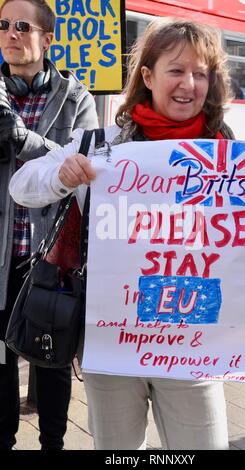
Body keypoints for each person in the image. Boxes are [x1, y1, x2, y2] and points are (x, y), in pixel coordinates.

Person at [9, 17, 245, 450]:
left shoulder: (227, 155)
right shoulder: (101, 145)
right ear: (148, 76)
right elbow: (22, 186)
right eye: (177, 70)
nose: (190, 84)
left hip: (194, 348)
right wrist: (62, 176)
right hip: (113, 346)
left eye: (201, 73)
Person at [0, 0, 98, 450]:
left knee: (53, 363)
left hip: (50, 257)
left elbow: (84, 165)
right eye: (3, 25)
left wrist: (18, 135)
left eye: (22, 25)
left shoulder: (75, 97)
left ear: (47, 38)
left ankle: (54, 444)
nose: (11, 34)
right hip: (1, 256)